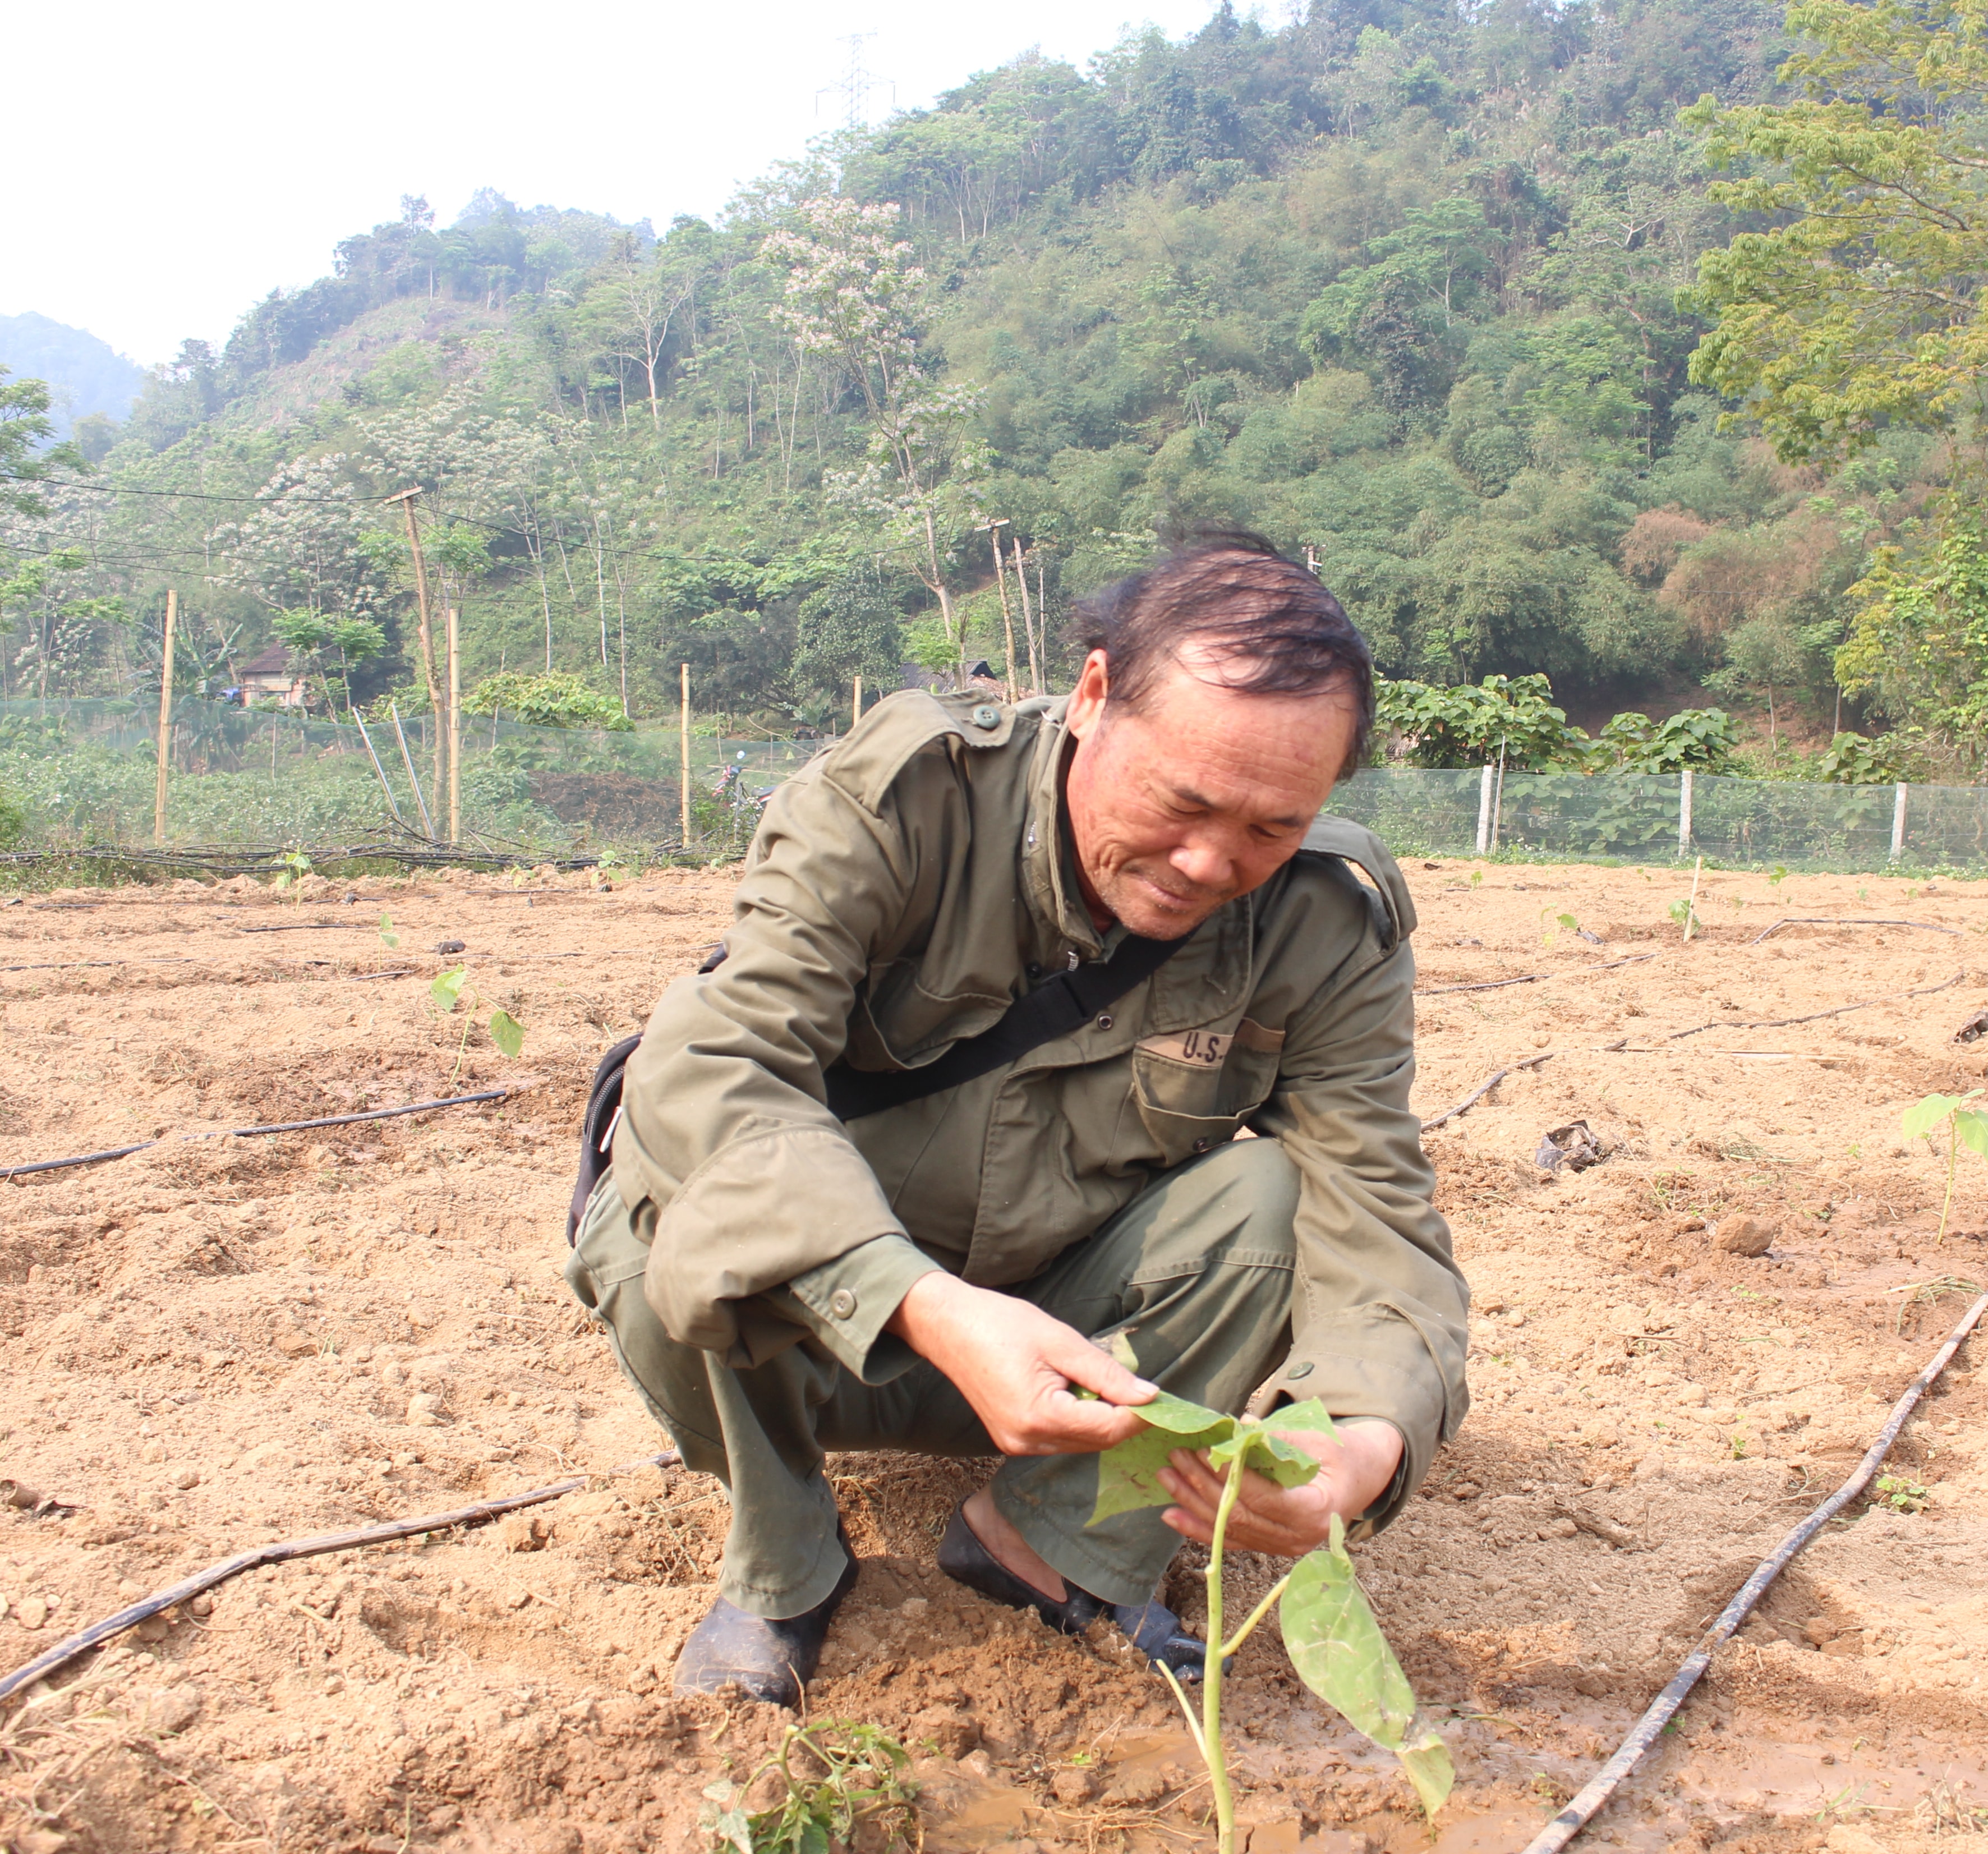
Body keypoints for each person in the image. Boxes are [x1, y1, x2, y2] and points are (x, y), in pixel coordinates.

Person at [563, 531, 1469, 1702]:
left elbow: (1375, 1208)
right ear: (1094, 695)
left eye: (1271, 827)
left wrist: (1359, 1446)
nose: (1210, 862)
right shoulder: (904, 801)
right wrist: (928, 1307)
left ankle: (1047, 1545)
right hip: (824, 1335)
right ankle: (783, 1561)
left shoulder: (1324, 920)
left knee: (1273, 1202)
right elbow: (717, 1065)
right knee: (663, 1201)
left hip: (1072, 1349)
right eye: (1183, 801)